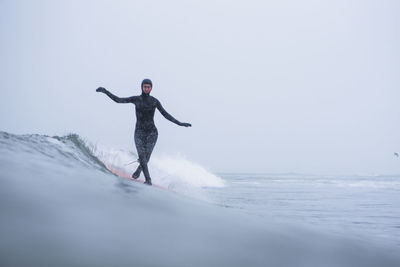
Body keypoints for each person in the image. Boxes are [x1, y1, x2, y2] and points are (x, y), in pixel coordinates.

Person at [96, 79, 191, 185]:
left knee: (146, 157)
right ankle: (148, 179)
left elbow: (165, 114)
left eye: (148, 87)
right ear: (141, 87)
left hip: (152, 133)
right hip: (139, 132)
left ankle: (139, 169)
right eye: (144, 86)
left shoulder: (154, 101)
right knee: (142, 156)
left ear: (151, 88)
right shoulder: (136, 99)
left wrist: (180, 123)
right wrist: (105, 91)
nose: (146, 88)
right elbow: (118, 100)